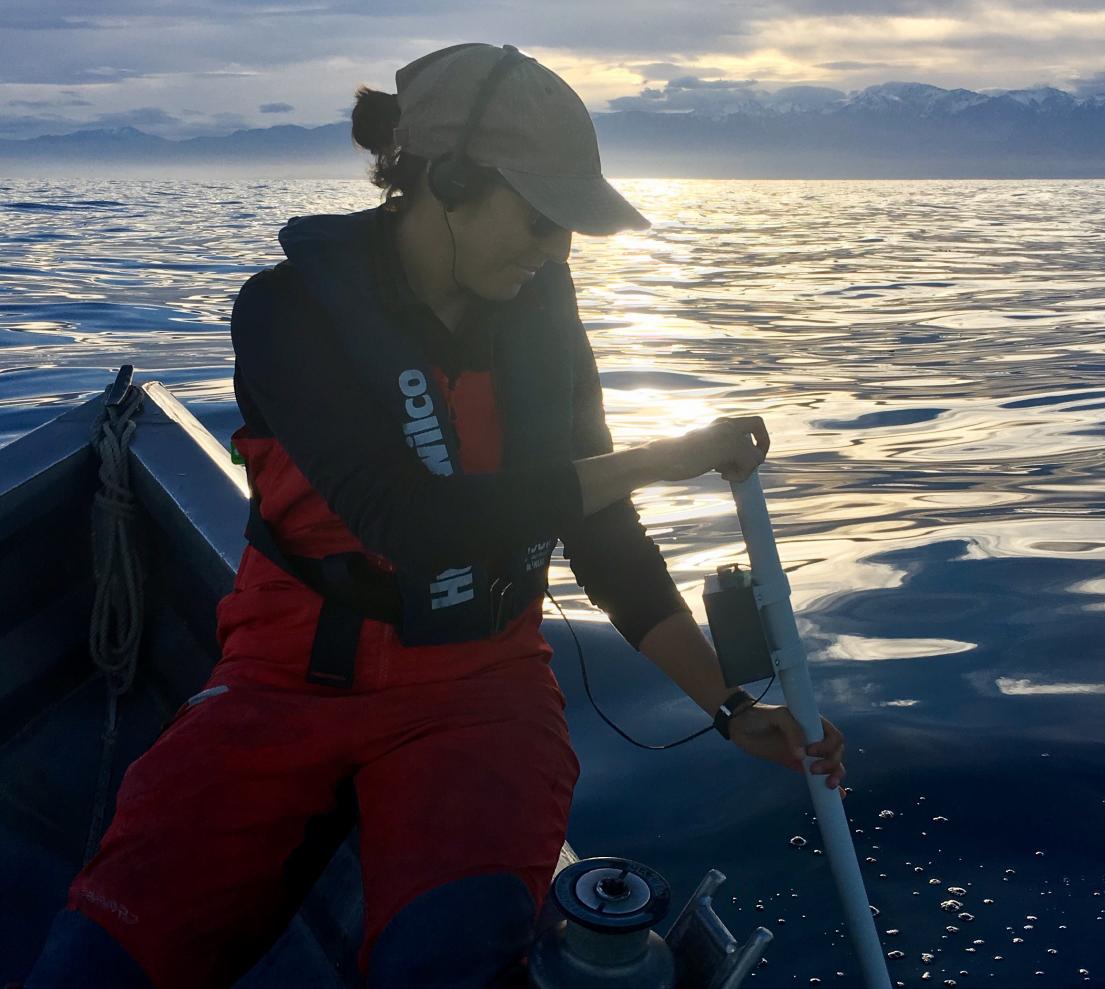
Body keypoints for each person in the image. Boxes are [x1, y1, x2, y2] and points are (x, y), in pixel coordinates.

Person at [23, 42, 846, 989]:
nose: (555, 253)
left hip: (481, 684)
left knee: (447, 964)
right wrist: (671, 455)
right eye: (540, 219)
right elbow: (407, 520)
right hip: (284, 678)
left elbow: (605, 539)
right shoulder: (288, 312)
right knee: (100, 962)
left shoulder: (544, 314)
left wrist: (732, 706)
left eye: (568, 231)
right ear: (448, 181)